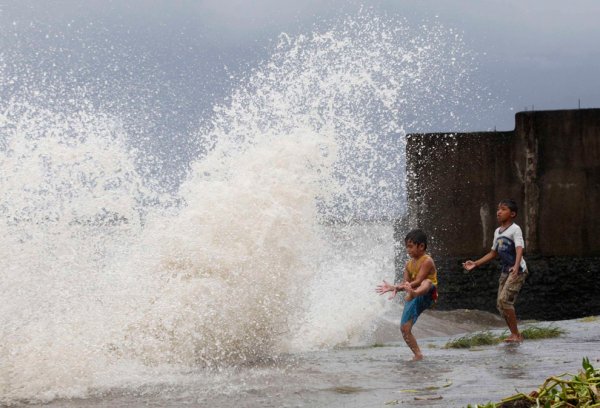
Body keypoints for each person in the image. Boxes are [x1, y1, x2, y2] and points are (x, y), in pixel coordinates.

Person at [463, 199, 528, 343]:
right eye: (498, 209)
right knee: (500, 305)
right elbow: (493, 253)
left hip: (518, 270)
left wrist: (516, 266)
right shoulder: (497, 232)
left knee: (504, 301)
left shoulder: (515, 229)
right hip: (506, 271)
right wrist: (475, 263)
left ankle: (516, 335)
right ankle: (515, 334)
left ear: (512, 214)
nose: (499, 212)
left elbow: (519, 249)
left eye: (503, 209)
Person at [376, 229, 438, 361]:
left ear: (421, 246)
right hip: (413, 294)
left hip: (427, 293)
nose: (408, 250)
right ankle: (417, 354)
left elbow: (419, 281)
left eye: (410, 246)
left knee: (426, 282)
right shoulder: (408, 264)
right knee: (404, 328)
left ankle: (413, 293)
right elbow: (406, 283)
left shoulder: (427, 261)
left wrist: (410, 289)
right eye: (406, 247)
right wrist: (395, 288)